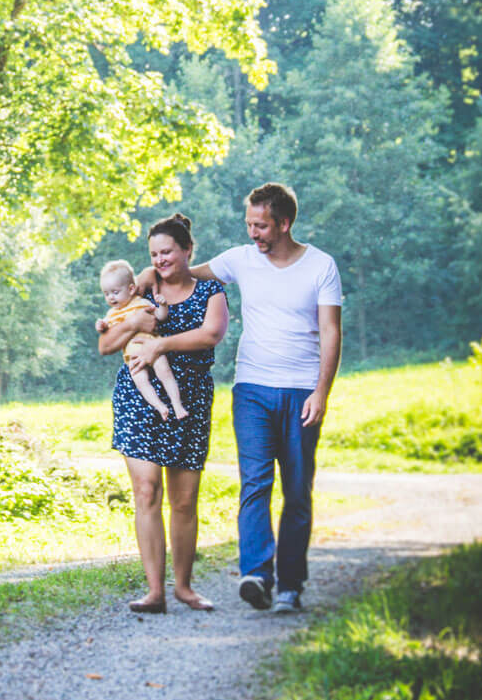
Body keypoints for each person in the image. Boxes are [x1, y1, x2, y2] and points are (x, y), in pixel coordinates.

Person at [133, 183, 342, 614]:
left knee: (297, 491)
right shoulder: (240, 260)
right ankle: (256, 575)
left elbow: (331, 332)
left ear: (284, 224)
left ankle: (290, 586)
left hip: (302, 389)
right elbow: (184, 273)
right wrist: (147, 276)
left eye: (261, 226)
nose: (253, 233)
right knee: (255, 484)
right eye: (249, 224)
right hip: (251, 389)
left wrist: (321, 392)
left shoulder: (322, 266)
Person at [99, 214, 228, 614]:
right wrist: (136, 322)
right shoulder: (143, 289)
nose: (161, 259)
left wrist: (161, 345)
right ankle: (154, 591)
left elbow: (211, 335)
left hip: (188, 396)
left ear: (188, 250)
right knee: (146, 489)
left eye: (168, 251)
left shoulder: (211, 290)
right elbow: (106, 345)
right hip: (138, 395)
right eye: (155, 253)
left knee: (185, 499)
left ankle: (184, 587)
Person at [95, 260, 188, 423]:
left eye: (115, 292)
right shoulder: (111, 314)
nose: (111, 297)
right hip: (133, 357)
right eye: (106, 293)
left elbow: (160, 316)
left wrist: (163, 305)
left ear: (131, 289)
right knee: (141, 382)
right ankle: (160, 407)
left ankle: (177, 404)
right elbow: (106, 336)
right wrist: (101, 326)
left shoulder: (140, 303)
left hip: (152, 347)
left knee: (165, 373)